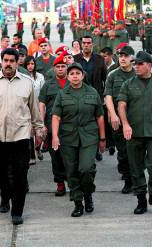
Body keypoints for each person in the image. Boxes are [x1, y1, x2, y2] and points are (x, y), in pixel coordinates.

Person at [0, 48, 43, 225]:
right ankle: (5, 195)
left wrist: (39, 131)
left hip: (20, 136)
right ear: (1, 62)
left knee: (20, 175)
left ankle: (17, 211)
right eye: (6, 60)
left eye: (12, 61)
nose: (9, 64)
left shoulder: (27, 83)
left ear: (17, 62)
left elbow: (35, 110)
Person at [118, 51, 152, 215]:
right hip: (133, 134)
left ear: (149, 65)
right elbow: (121, 105)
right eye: (135, 64)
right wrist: (125, 124)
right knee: (136, 169)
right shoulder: (128, 84)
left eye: (140, 64)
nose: (136, 67)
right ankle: (141, 200)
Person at [52, 62, 105, 217]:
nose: (75, 76)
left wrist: (102, 138)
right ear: (68, 77)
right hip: (68, 138)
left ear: (83, 75)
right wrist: (55, 136)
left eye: (77, 73)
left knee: (86, 168)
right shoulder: (62, 94)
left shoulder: (92, 92)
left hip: (89, 136)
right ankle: (77, 202)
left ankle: (88, 195)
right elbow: (56, 116)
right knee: (72, 171)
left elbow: (100, 116)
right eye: (72, 74)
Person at [104, 45, 136, 194]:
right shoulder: (113, 74)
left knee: (136, 151)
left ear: (132, 58)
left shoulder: (138, 73)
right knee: (123, 152)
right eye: (120, 56)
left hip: (136, 119)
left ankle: (135, 179)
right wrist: (113, 114)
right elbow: (108, 96)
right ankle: (128, 179)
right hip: (118, 119)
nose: (122, 58)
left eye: (125, 56)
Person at [39, 54, 69, 196]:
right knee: (56, 158)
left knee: (70, 157)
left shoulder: (74, 81)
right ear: (54, 68)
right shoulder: (48, 84)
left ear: (67, 67)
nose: (61, 69)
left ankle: (72, 181)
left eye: (63, 66)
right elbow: (42, 104)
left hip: (70, 127)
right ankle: (60, 183)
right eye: (58, 67)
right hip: (52, 128)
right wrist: (41, 124)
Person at [74, 35, 107, 161]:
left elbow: (105, 79)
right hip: (79, 96)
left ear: (92, 44)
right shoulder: (76, 59)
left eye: (88, 43)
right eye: (84, 43)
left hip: (96, 97)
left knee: (97, 123)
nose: (86, 45)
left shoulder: (99, 59)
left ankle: (96, 148)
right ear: (81, 44)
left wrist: (104, 96)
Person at [24, 55, 45, 163]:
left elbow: (43, 92)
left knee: (39, 129)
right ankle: (31, 156)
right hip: (27, 107)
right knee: (29, 131)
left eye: (32, 64)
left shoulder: (40, 76)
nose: (30, 66)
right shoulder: (23, 77)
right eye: (28, 64)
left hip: (38, 105)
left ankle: (38, 148)